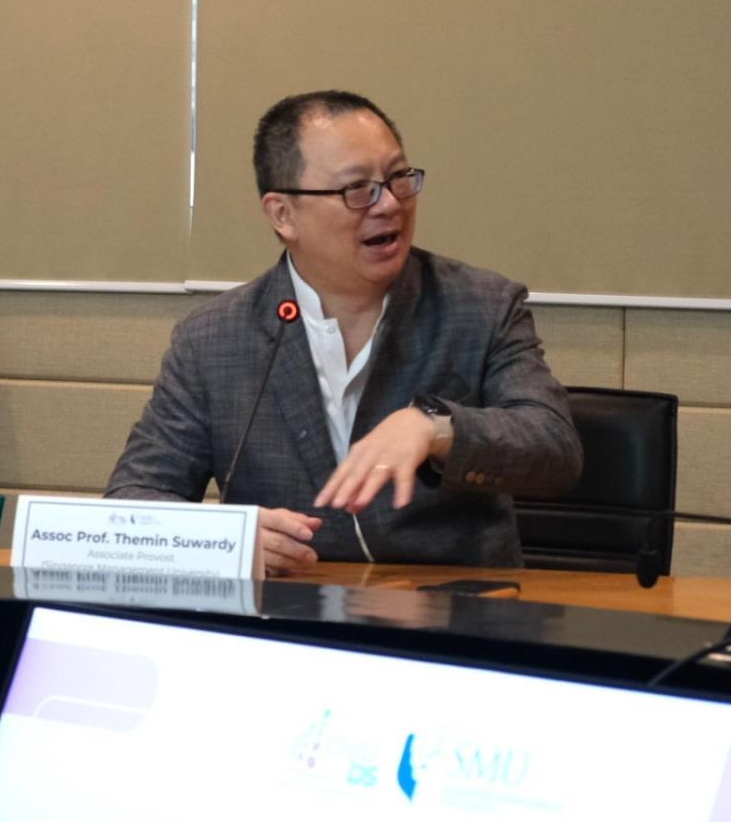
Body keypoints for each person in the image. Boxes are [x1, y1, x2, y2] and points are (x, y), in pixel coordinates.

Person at [105, 90, 580, 572]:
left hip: (452, 605)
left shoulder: (480, 306)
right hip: (290, 605)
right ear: (283, 214)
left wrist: (437, 428)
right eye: (357, 189)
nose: (389, 204)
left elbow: (555, 448)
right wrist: (223, 541)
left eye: (398, 178)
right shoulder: (213, 340)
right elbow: (134, 496)